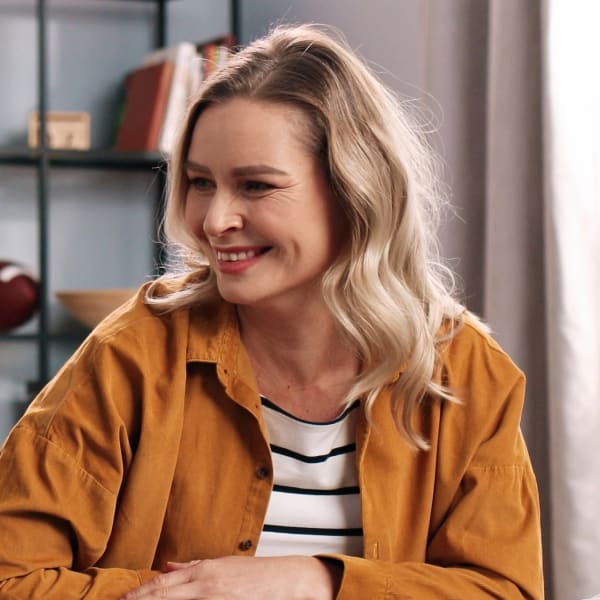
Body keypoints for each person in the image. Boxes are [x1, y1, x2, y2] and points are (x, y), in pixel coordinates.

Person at [0, 23, 544, 599]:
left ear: (353, 191)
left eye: (256, 186)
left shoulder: (465, 373)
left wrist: (314, 581)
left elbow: (503, 589)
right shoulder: (130, 355)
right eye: (199, 182)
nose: (213, 221)